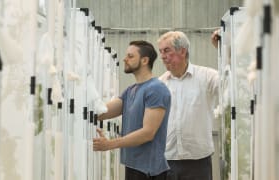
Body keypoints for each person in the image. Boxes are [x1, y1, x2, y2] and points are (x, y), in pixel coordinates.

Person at [93, 40, 171, 180]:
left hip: (150, 172)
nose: (125, 59)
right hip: (134, 167)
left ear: (144, 60)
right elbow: (103, 112)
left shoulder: (156, 89)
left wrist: (110, 144)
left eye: (130, 56)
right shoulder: (130, 90)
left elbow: (148, 133)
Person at [157, 31, 219, 180]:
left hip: (198, 162)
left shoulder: (206, 76)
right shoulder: (160, 84)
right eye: (160, 52)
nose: (162, 56)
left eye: (167, 51)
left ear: (182, 51)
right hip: (167, 161)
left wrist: (223, 50)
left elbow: (232, 85)